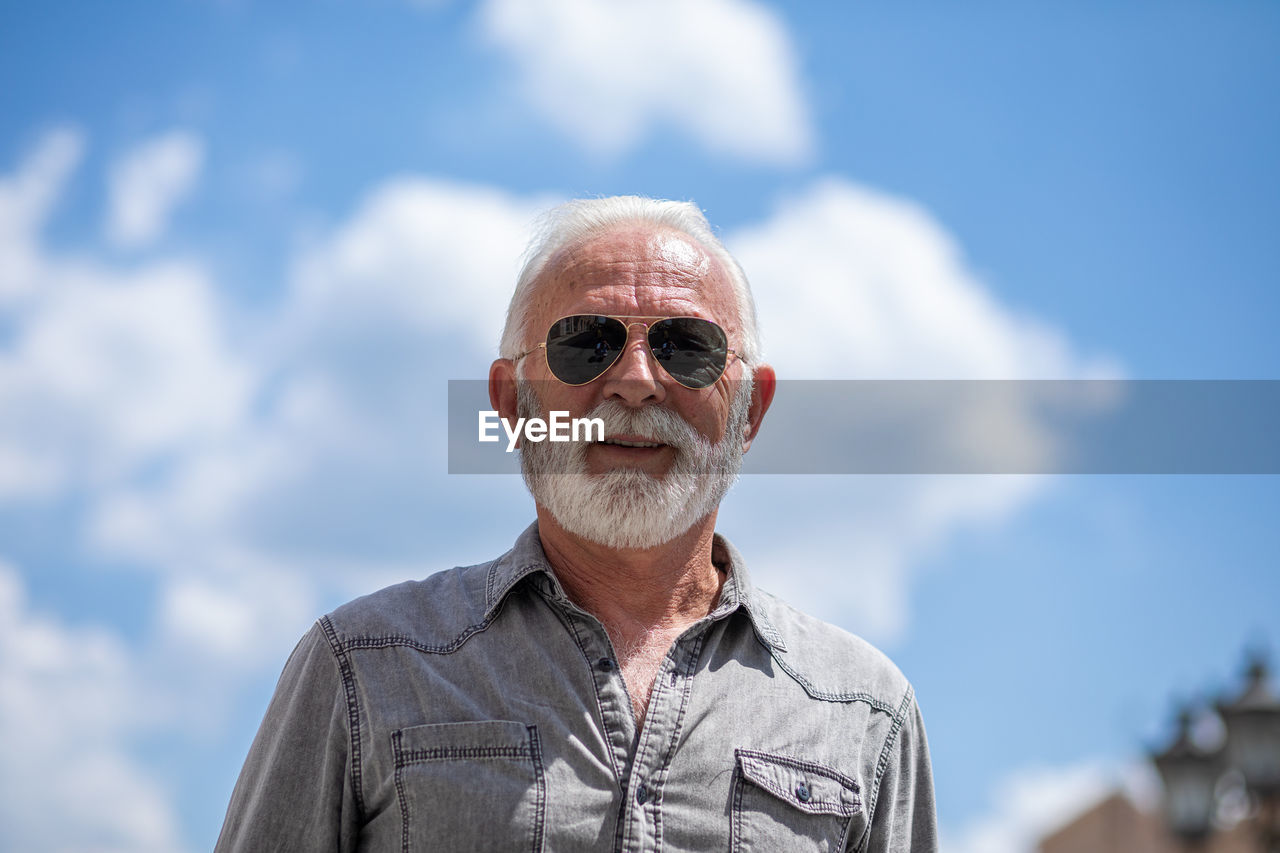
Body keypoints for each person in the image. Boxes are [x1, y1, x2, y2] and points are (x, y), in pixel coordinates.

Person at [215, 196, 937, 852]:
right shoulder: (362, 667)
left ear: (750, 409)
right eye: (587, 342)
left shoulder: (865, 710)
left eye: (687, 346)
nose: (635, 379)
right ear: (511, 403)